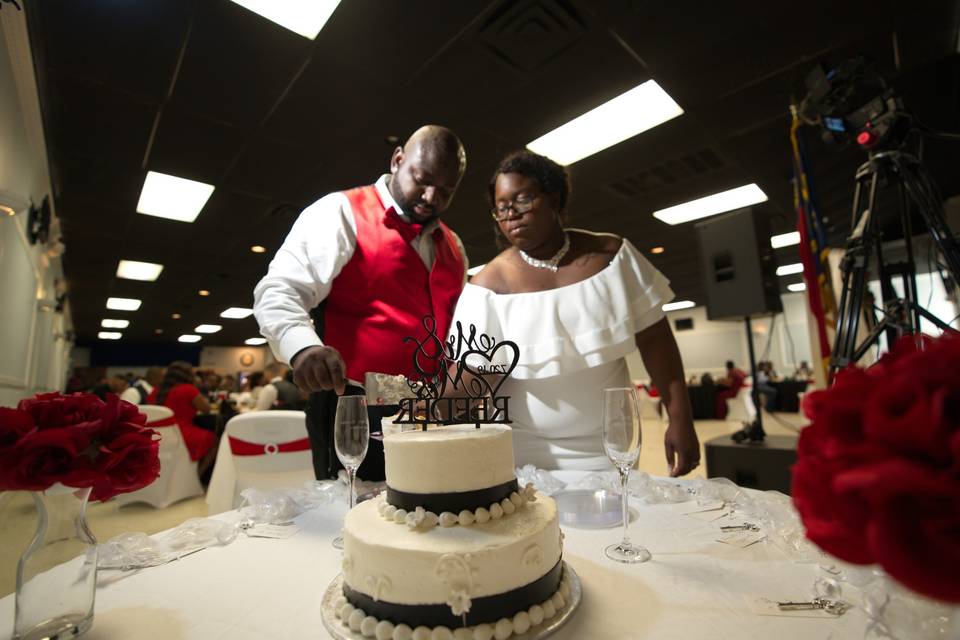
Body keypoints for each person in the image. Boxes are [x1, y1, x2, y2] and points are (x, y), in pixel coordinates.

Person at [451, 150, 699, 475]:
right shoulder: (487, 287)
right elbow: (472, 374)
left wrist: (680, 417)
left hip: (609, 441)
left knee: (612, 522)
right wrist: (419, 404)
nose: (511, 214)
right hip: (525, 445)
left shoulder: (611, 257)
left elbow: (656, 339)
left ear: (554, 198)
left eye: (523, 200)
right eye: (502, 207)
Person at [253, 125, 469, 481]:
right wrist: (303, 348)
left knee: (431, 520)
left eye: (446, 190)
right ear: (397, 159)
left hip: (434, 410)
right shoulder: (340, 212)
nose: (431, 197)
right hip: (353, 408)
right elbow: (280, 289)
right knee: (357, 520)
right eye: (422, 178)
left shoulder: (455, 246)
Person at [146, 361, 215, 463]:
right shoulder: (189, 389)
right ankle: (199, 474)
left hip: (156, 436)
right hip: (182, 435)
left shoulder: (155, 390)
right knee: (214, 439)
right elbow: (206, 409)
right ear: (189, 375)